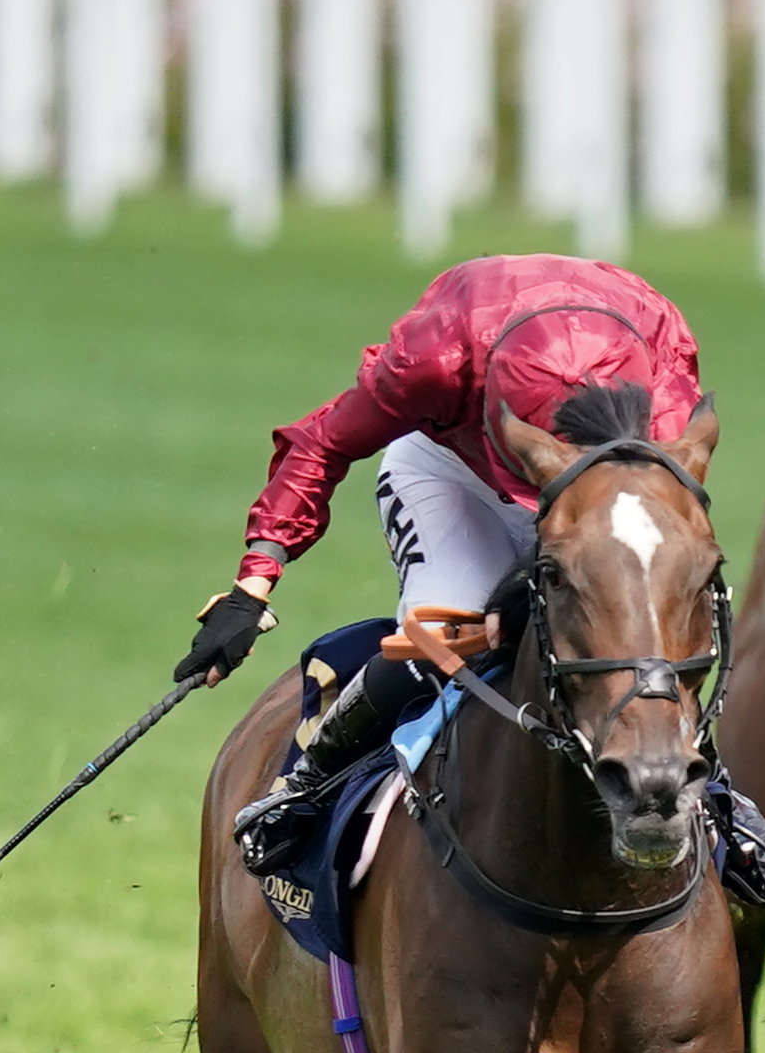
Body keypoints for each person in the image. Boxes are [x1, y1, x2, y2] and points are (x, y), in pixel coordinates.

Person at [186, 253, 729, 875]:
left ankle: (721, 799)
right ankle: (307, 785)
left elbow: (673, 523)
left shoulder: (660, 371)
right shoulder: (436, 359)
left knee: (647, 625)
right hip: (451, 472)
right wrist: (253, 585)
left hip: (601, 492)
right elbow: (321, 443)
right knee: (446, 637)